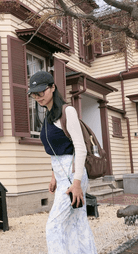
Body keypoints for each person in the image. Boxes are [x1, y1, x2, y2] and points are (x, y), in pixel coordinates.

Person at [28, 71, 97, 254]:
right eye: (34, 94)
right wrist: (53, 176)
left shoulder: (68, 111)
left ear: (52, 88)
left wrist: (76, 183)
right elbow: (55, 149)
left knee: (54, 226)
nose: (37, 97)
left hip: (73, 176)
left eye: (40, 92)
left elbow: (80, 148)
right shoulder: (49, 116)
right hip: (61, 176)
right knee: (75, 224)